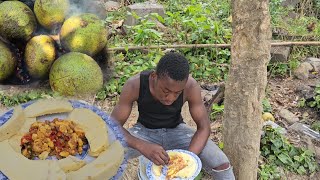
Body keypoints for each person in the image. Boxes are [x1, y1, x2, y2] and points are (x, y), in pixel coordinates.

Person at [111, 52, 235, 179]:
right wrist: (142, 146)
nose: (170, 98)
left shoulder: (191, 86)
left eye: (177, 93)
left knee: (222, 164)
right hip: (143, 133)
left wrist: (186, 159)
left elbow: (204, 128)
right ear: (154, 76)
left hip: (177, 132)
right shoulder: (135, 85)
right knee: (107, 157)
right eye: (166, 91)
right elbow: (112, 126)